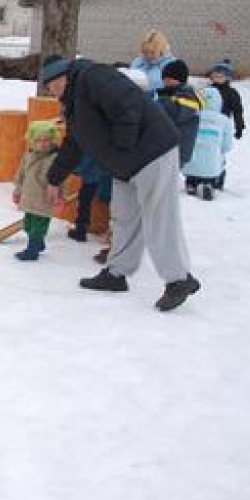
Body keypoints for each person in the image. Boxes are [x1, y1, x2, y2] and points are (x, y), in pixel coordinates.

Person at [40, 55, 201, 312]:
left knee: (159, 215)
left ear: (61, 78)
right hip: (125, 165)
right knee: (124, 218)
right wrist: (54, 178)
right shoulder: (72, 103)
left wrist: (122, 146)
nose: (50, 91)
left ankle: (178, 279)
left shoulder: (94, 76)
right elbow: (75, 143)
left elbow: (127, 106)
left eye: (50, 85)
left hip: (152, 151)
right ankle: (116, 274)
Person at [12, 120, 62, 262]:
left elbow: (61, 179)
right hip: (29, 197)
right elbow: (21, 173)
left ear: (53, 140)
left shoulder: (55, 158)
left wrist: (60, 196)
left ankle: (32, 251)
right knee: (28, 224)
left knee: (38, 226)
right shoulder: (29, 154)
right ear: (31, 140)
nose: (43, 143)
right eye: (38, 140)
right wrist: (17, 189)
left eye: (47, 140)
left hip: (45, 199)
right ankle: (38, 244)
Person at [183, 87, 234, 201]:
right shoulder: (224, 120)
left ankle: (191, 183)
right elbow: (227, 145)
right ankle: (209, 184)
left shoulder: (191, 116)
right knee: (215, 161)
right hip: (212, 165)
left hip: (190, 163)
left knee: (193, 161)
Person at [155, 58, 202, 166]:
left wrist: (156, 103)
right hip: (173, 150)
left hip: (176, 151)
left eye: (170, 78)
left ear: (180, 79)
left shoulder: (187, 98)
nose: (165, 81)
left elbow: (170, 113)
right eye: (164, 78)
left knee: (167, 181)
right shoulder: (173, 95)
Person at [208, 60, 244, 190]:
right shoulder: (207, 91)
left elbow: (237, 110)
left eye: (221, 76)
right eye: (215, 76)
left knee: (220, 153)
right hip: (207, 125)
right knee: (207, 151)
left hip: (223, 127)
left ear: (227, 77)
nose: (217, 79)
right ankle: (204, 175)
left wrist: (239, 126)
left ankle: (219, 177)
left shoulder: (231, 93)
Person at [67, 155, 112, 243]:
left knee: (85, 203)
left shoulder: (94, 144)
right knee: (112, 205)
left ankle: (81, 230)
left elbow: (86, 160)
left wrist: (75, 169)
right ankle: (110, 234)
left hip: (92, 177)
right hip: (108, 177)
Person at [129, 29, 176, 95]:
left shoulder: (172, 64)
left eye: (152, 52)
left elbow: (173, 88)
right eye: (145, 52)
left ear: (161, 49)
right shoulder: (138, 61)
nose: (149, 56)